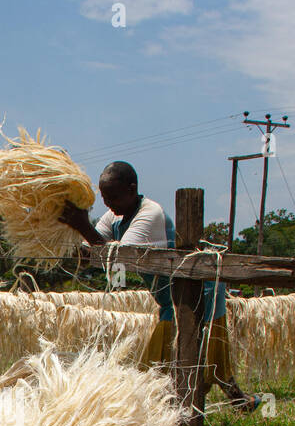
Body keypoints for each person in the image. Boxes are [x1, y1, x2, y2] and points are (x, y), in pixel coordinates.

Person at [58, 161, 256, 410]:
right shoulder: (114, 216)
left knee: (175, 361)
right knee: (204, 360)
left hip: (195, 295)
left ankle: (179, 417)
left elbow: (120, 258)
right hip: (170, 298)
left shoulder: (150, 214)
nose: (108, 204)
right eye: (105, 198)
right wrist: (70, 228)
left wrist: (83, 225)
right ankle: (239, 401)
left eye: (114, 197)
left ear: (132, 189)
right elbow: (92, 254)